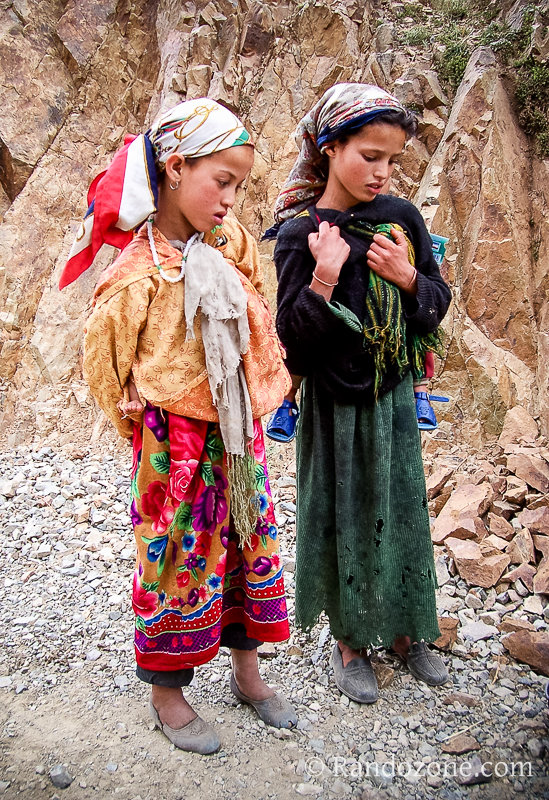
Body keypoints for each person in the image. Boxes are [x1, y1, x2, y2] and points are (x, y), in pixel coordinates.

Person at [60, 98, 296, 753]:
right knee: (172, 562)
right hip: (174, 446)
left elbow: (253, 288)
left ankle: (247, 673)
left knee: (250, 546)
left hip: (236, 432)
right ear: (174, 166)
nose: (228, 198)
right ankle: (168, 694)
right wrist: (134, 421)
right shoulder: (136, 275)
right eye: (219, 181)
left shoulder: (228, 241)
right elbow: (104, 360)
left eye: (238, 185)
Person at [270, 83, 452, 703]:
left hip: (395, 398)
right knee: (344, 516)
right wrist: (324, 273)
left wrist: (406, 279)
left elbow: (435, 303)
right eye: (369, 155)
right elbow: (291, 341)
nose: (382, 171)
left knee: (402, 511)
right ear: (329, 147)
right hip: (333, 405)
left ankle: (406, 630)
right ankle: (352, 641)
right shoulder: (300, 236)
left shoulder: (402, 220)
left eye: (393, 160)